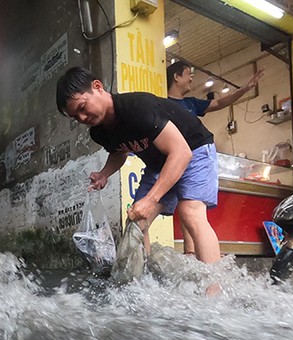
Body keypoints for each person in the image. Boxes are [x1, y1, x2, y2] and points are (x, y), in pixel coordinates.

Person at [55, 66, 221, 264]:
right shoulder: (98, 132)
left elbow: (181, 152)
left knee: (190, 212)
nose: (82, 118)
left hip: (194, 149)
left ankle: (214, 289)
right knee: (137, 221)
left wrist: (151, 200)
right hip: (159, 163)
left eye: (82, 108)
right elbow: (120, 151)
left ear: (97, 87)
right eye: (75, 117)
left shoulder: (136, 108)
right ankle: (144, 284)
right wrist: (104, 174)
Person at [167, 60, 264, 254]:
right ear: (177, 76)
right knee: (186, 208)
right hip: (175, 160)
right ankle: (191, 256)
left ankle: (201, 263)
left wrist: (244, 89)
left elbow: (219, 102)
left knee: (192, 208)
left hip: (196, 160)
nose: (192, 78)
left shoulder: (191, 103)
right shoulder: (162, 104)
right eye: (188, 74)